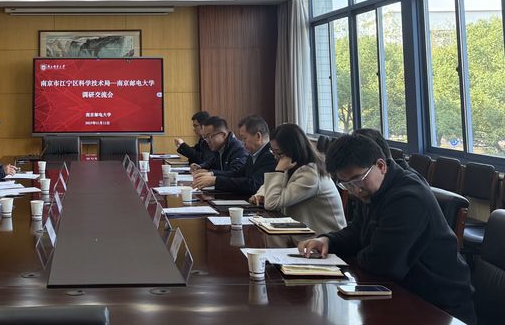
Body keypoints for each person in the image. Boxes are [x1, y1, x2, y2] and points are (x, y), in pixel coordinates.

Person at [297, 134, 475, 324]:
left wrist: (360, 252)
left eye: (357, 180)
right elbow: (357, 231)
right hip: (401, 294)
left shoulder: (408, 198)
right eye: (346, 184)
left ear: (381, 166)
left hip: (439, 307)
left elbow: (382, 263)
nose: (355, 190)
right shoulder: (373, 189)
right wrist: (328, 240)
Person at [249, 123, 346, 233]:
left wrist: (279, 171)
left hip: (324, 238)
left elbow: (272, 203)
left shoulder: (310, 174)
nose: (275, 157)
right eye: (273, 152)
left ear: (294, 150)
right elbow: (268, 187)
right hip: (302, 232)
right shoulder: (294, 165)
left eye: (279, 153)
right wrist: (260, 195)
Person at [194, 115, 276, 194]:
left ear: (258, 136)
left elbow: (253, 184)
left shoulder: (271, 155)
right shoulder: (254, 154)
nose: (243, 143)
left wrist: (216, 181)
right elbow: (237, 174)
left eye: (244, 138)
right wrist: (212, 175)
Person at [190, 116, 248, 186]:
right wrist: (200, 167)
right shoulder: (219, 147)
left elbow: (236, 173)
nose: (207, 141)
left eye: (209, 136)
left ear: (223, 135)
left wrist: (211, 173)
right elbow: (212, 162)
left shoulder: (238, 149)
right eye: (205, 137)